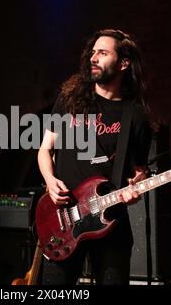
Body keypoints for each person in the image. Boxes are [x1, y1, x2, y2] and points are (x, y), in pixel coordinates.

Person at [37, 28, 153, 285]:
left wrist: (136, 190)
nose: (93, 58)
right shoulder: (70, 100)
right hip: (63, 219)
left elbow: (139, 171)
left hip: (110, 222)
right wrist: (50, 179)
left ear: (123, 63)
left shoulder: (136, 116)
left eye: (102, 53)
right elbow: (45, 149)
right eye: (92, 52)